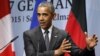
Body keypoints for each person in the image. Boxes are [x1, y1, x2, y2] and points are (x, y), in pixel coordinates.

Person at [23, 1, 98, 56]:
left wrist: (89, 48)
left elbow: (77, 54)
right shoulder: (29, 34)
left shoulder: (62, 35)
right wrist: (56, 52)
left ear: (54, 16)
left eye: (45, 15)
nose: (41, 18)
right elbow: (31, 55)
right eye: (39, 15)